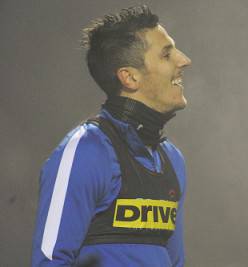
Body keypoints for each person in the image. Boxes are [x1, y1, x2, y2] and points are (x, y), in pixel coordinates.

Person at [31, 5, 191, 266]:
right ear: (129, 77)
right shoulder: (86, 150)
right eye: (166, 54)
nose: (184, 60)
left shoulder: (172, 159)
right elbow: (50, 261)